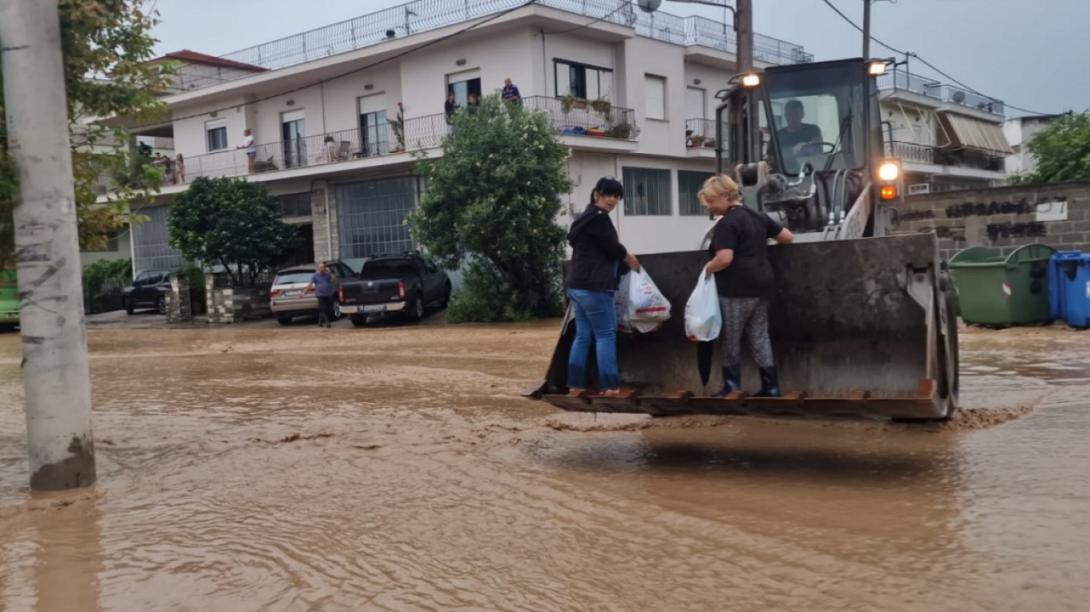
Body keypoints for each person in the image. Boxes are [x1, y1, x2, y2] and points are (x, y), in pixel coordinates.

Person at [699, 174, 794, 397]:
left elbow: (724, 259)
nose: (710, 207)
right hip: (762, 285)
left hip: (737, 289)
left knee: (731, 337)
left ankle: (731, 386)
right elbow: (788, 237)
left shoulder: (727, 224)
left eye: (711, 201)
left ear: (725, 197)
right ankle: (771, 388)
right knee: (759, 335)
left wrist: (706, 269)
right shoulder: (757, 216)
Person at [565, 176, 640, 397]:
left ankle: (576, 385)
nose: (612, 200)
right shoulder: (600, 220)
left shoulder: (582, 219)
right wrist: (629, 258)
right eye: (608, 194)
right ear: (596, 194)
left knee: (582, 336)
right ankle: (610, 386)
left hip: (576, 286)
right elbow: (613, 248)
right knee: (606, 334)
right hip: (594, 287)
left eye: (616, 196)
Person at [771, 99, 823, 172]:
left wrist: (807, 147)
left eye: (796, 114)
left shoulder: (813, 130)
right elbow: (771, 159)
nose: (793, 118)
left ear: (802, 114)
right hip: (786, 174)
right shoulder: (777, 136)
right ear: (785, 116)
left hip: (812, 171)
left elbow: (818, 150)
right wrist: (793, 150)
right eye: (789, 115)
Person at [304, 261, 338, 328]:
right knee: (324, 308)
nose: (322, 268)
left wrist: (330, 271)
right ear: (318, 268)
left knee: (324, 309)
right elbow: (310, 285)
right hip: (320, 294)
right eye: (320, 267)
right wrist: (304, 292)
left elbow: (334, 279)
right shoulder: (315, 275)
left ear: (325, 268)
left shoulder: (327, 274)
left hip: (327, 294)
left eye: (323, 267)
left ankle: (319, 322)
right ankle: (328, 323)